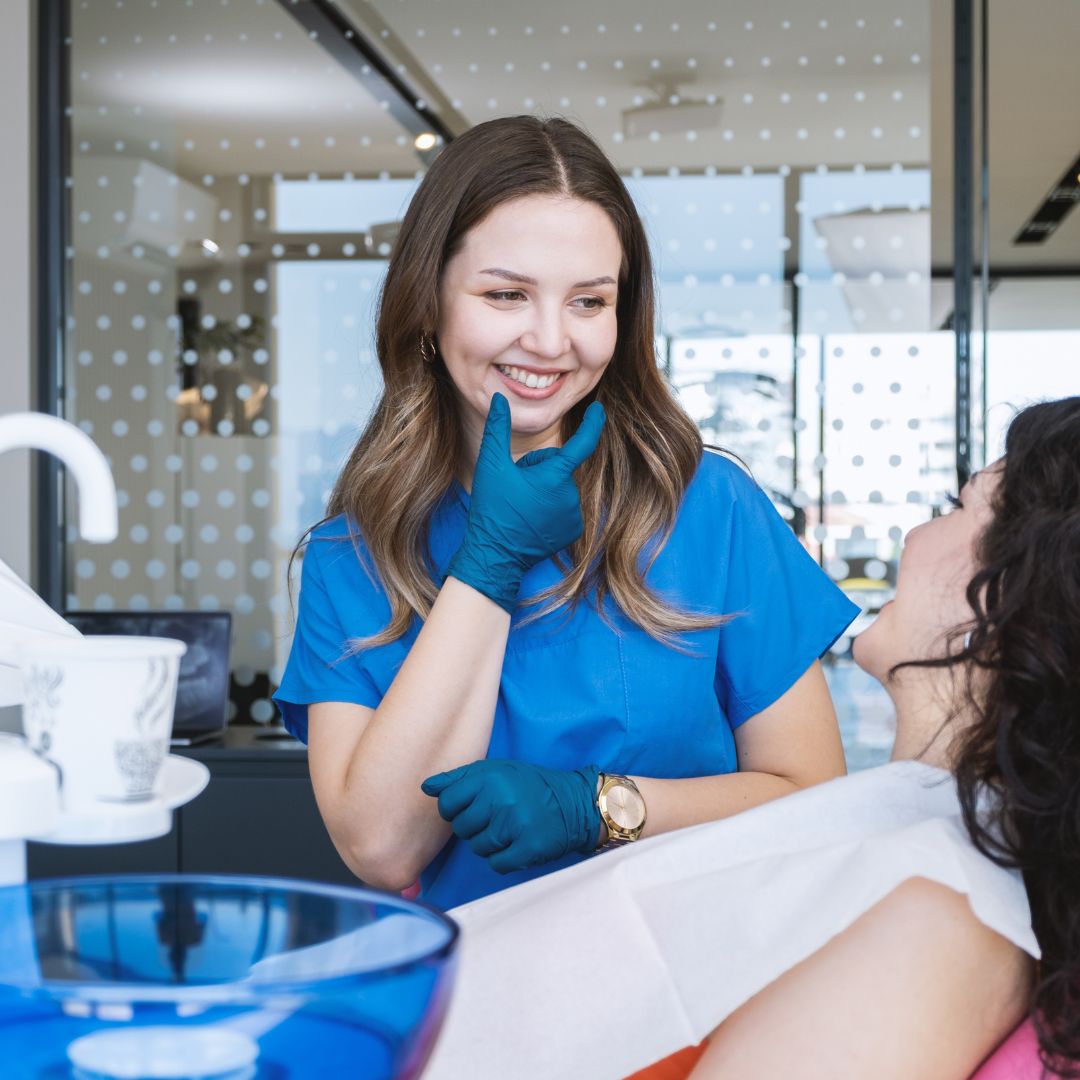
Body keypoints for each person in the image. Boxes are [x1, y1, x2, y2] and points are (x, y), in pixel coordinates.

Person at [273, 115, 858, 912]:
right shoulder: (354, 554)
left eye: (589, 301)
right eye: (506, 294)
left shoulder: (709, 506)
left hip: (702, 986)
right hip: (487, 998)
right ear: (429, 304)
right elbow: (382, 847)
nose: (550, 341)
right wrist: (489, 561)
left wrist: (606, 809)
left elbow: (814, 795)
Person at [420, 396, 1080, 1080]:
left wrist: (595, 809)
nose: (915, 532)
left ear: (1011, 597)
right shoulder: (937, 861)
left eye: (959, 506)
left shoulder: (941, 924)